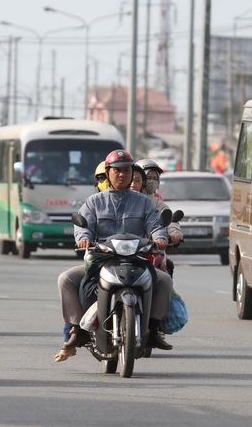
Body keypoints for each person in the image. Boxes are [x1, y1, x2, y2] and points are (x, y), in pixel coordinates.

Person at [55, 149, 174, 360]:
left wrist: (160, 237)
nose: (122, 175)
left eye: (126, 171)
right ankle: (78, 329)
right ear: (108, 173)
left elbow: (155, 224)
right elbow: (83, 226)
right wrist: (83, 237)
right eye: (117, 171)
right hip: (102, 259)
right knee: (66, 279)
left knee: (164, 280)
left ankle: (154, 329)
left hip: (136, 258)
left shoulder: (144, 202)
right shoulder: (94, 202)